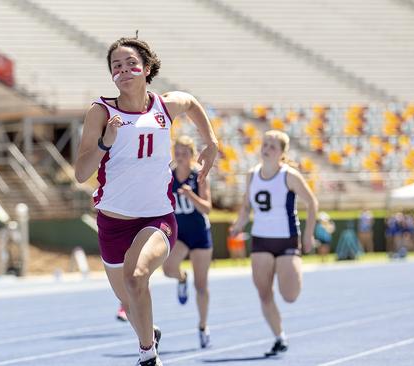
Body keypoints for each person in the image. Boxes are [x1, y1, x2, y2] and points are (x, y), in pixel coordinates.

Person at [74, 36, 218, 366]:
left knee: (136, 277)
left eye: (130, 64)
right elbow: (82, 172)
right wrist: (104, 142)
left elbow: (192, 102)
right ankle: (148, 334)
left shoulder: (164, 107)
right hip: (112, 223)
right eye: (116, 66)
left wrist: (210, 141)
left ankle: (148, 356)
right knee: (131, 299)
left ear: (146, 68)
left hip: (157, 218)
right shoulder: (101, 111)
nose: (123, 70)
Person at [230, 130, 317, 357]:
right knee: (264, 293)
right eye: (265, 144)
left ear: (282, 153)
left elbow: (312, 203)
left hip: (287, 239)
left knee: (289, 295)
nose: (267, 149)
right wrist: (239, 224)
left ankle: (289, 270)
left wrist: (308, 235)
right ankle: (279, 337)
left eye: (273, 146)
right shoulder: (252, 175)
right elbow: (246, 207)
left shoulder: (289, 175)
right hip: (261, 240)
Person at [162, 135, 213, 348]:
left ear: (192, 155)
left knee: (201, 285)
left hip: (200, 233)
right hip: (180, 233)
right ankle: (181, 278)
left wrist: (191, 196)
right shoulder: (167, 176)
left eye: (185, 153)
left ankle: (203, 326)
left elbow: (207, 208)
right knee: (167, 269)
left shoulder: (199, 176)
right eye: (178, 153)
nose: (181, 157)